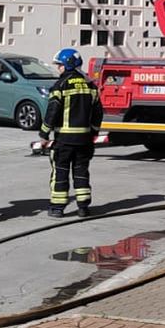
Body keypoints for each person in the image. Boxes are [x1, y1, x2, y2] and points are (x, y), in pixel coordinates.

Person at [41, 47, 103, 218]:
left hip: (64, 140)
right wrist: (94, 132)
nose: (58, 68)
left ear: (67, 65)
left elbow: (52, 111)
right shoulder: (90, 85)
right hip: (84, 140)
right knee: (81, 172)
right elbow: (98, 112)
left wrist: (44, 133)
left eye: (59, 65)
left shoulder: (60, 85)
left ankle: (57, 208)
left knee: (60, 173)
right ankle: (83, 207)